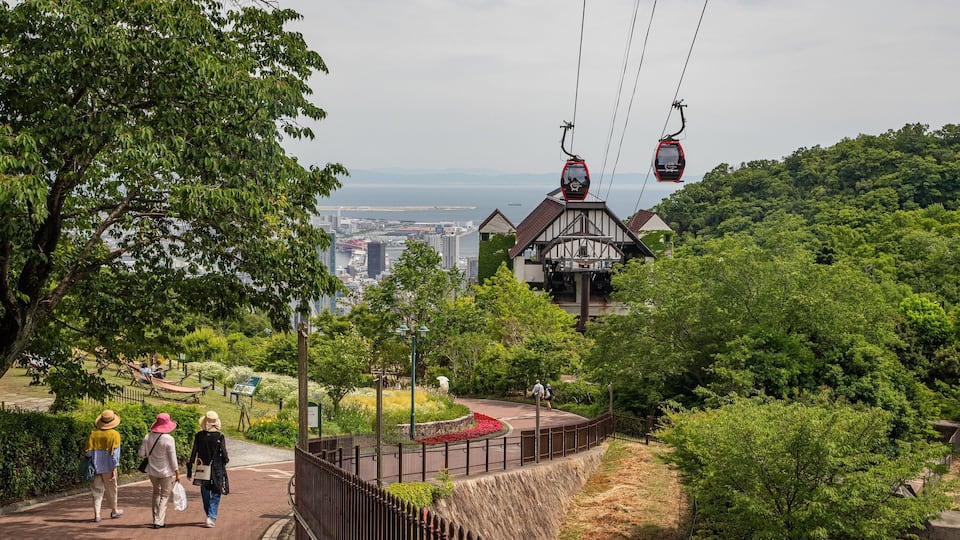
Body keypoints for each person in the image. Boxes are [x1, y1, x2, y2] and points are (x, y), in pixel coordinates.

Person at [187, 410, 230, 528]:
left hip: (202, 467)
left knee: (205, 490)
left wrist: (190, 468)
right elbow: (224, 455)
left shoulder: (199, 436)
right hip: (216, 467)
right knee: (216, 491)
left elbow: (193, 452)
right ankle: (211, 516)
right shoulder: (220, 436)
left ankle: (209, 514)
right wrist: (225, 460)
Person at [139, 412, 181, 529]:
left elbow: (141, 453)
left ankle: (155, 518)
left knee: (156, 493)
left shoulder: (148, 437)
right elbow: (173, 458)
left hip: (152, 471)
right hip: (166, 472)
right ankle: (159, 520)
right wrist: (177, 472)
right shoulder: (168, 439)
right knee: (165, 495)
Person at [85, 409, 124, 523]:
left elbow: (88, 452)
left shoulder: (93, 434)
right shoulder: (114, 435)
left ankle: (97, 514)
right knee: (111, 489)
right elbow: (115, 455)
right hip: (109, 467)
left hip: (95, 466)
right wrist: (114, 467)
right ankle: (114, 510)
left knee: (96, 490)